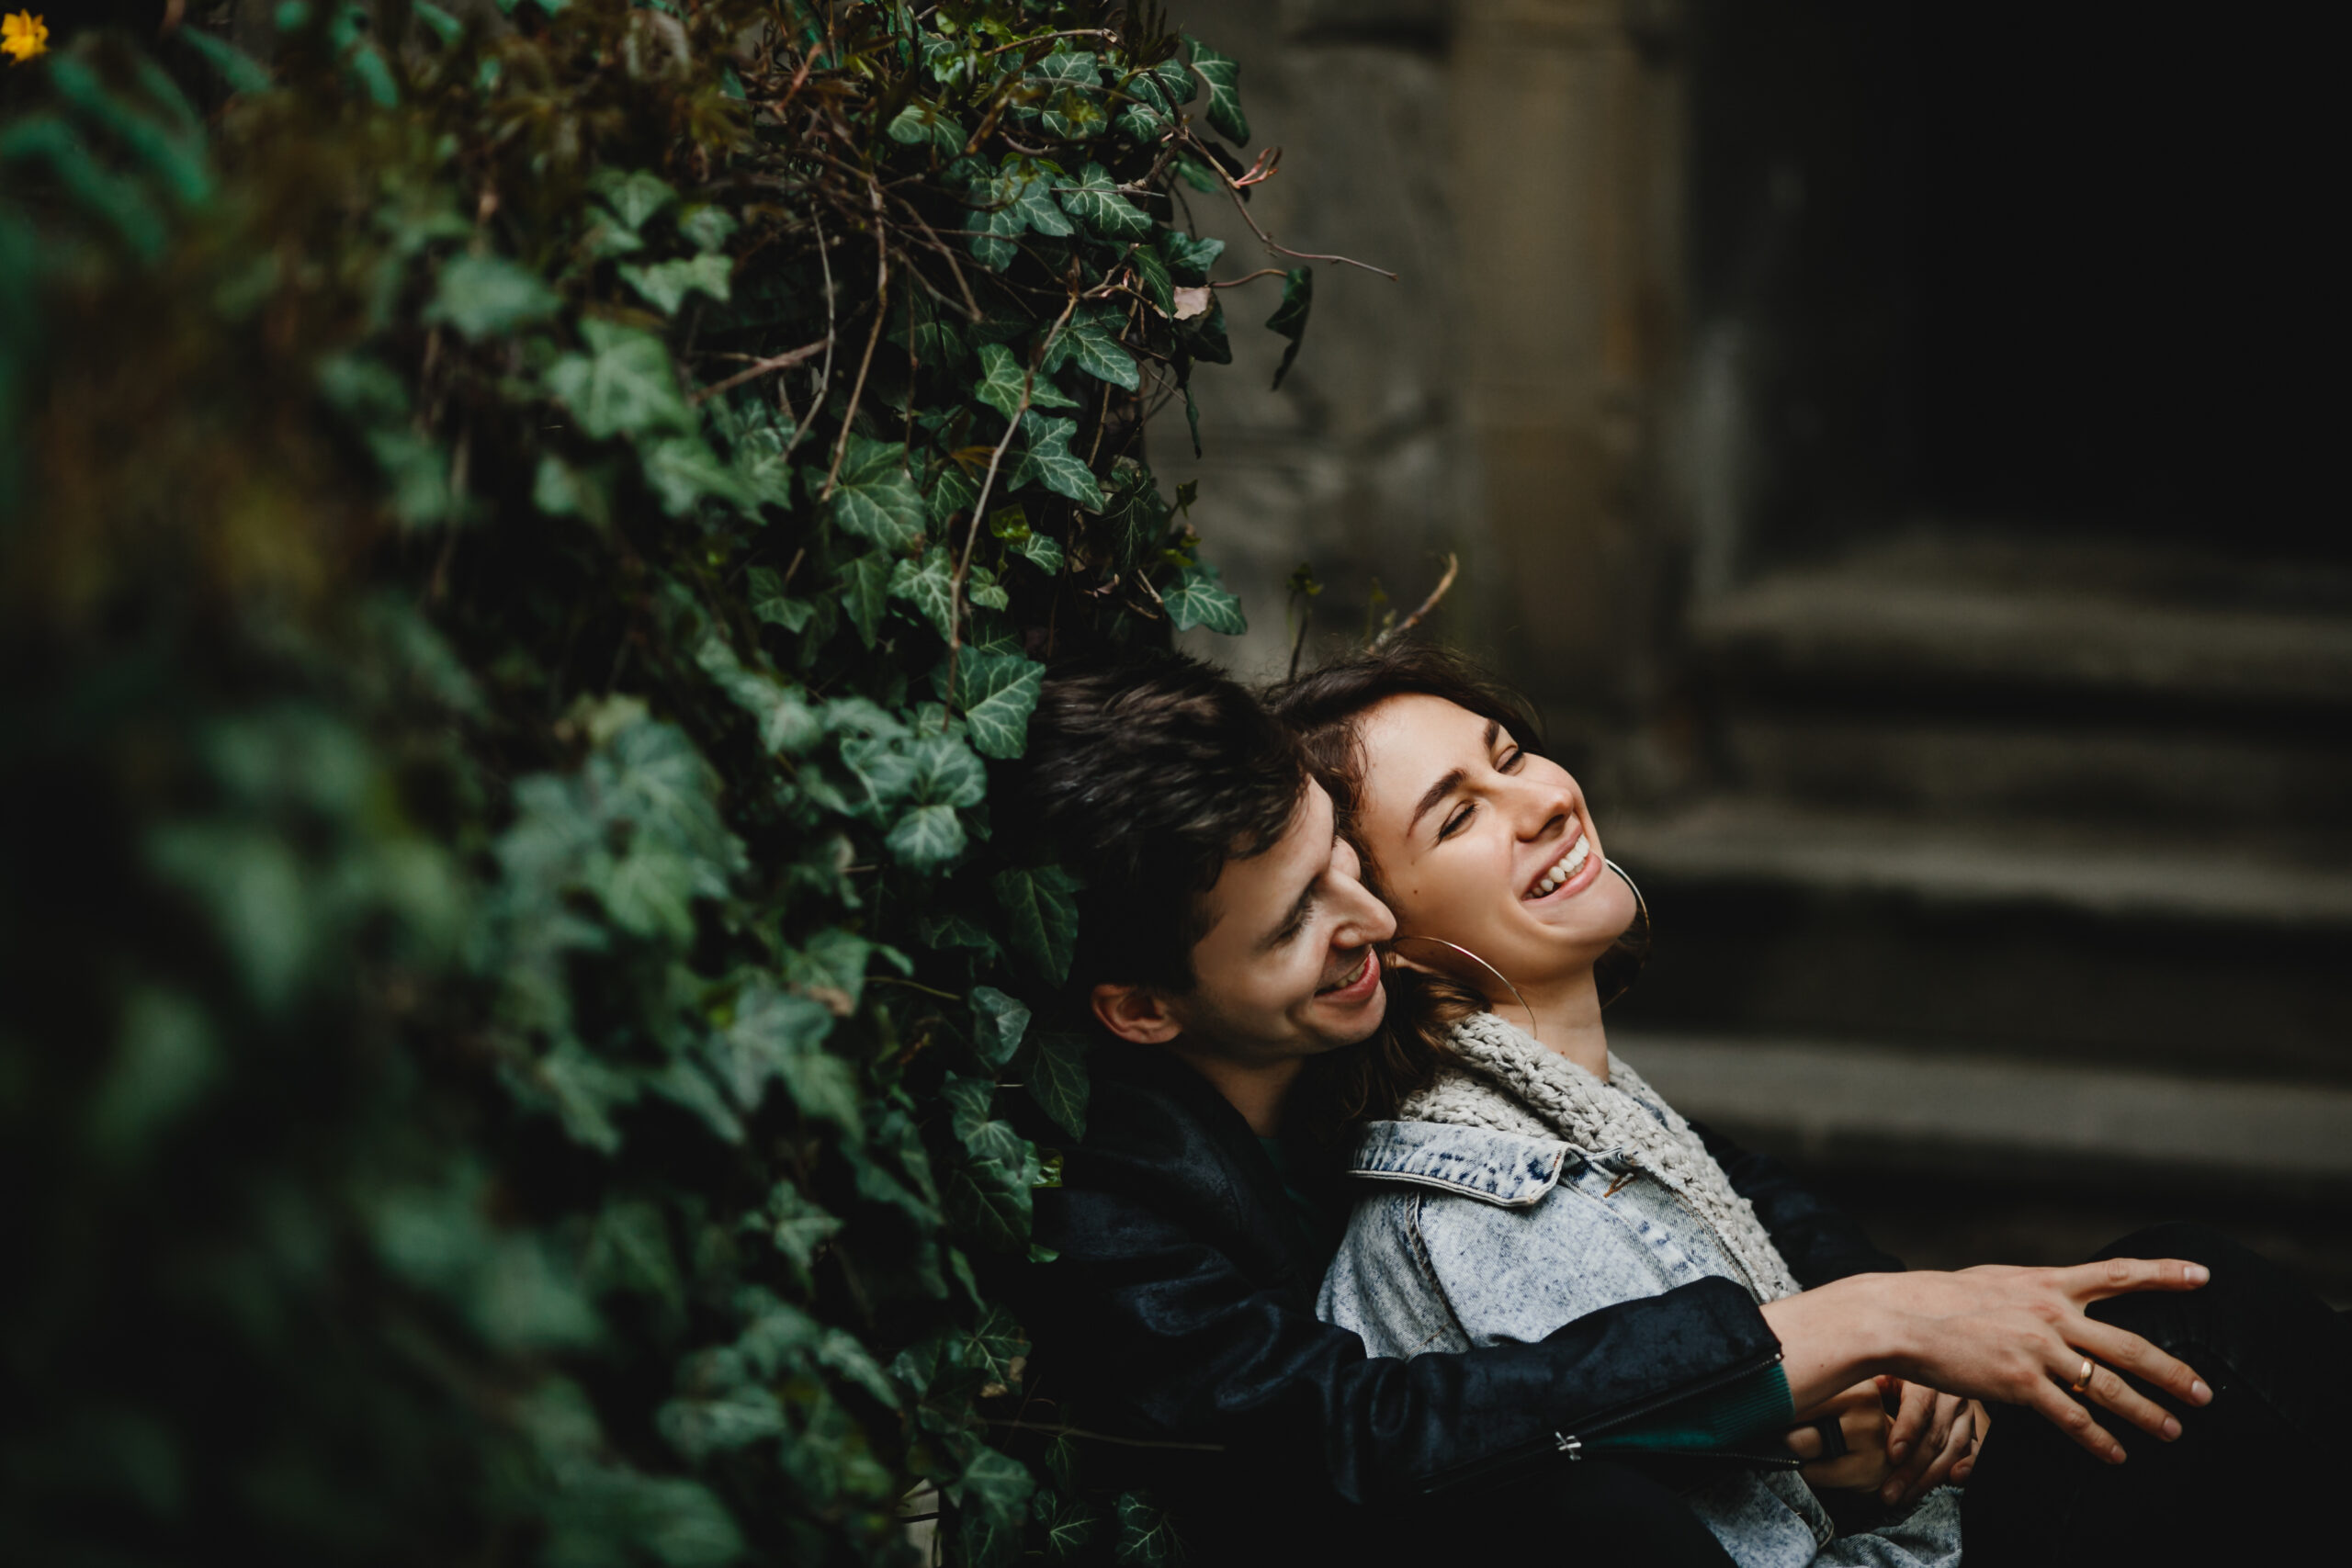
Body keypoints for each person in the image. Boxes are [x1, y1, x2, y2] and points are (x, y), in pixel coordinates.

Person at [1003, 651, 2240, 1566]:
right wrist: (1820, 1350)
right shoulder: (1123, 1207)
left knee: (2218, 1324)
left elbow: (1711, 1174)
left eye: (1342, 858)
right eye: (1297, 923)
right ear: (1144, 1010)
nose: (1369, 915)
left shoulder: (1396, 1021)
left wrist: (1879, 1341)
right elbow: (1377, 1432)